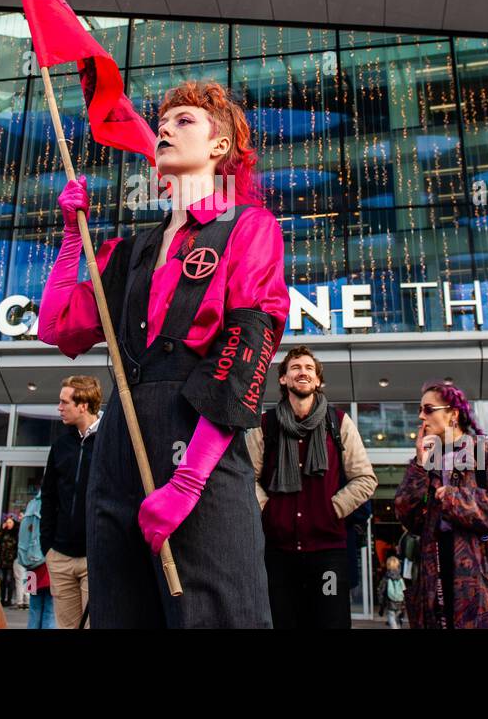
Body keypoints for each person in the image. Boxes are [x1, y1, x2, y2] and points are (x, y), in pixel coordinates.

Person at [40, 81, 291, 628]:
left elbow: (247, 348)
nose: (165, 129)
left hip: (198, 449)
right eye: (163, 122)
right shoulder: (131, 250)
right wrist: (66, 237)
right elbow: (56, 326)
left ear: (219, 146)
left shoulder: (248, 226)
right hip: (118, 455)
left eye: (184, 121)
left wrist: (189, 482)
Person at [247, 345, 377, 629]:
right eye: (294, 367)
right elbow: (246, 477)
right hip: (278, 554)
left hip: (328, 552)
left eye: (308, 368)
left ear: (317, 380)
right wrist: (269, 510)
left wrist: (332, 509)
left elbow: (365, 479)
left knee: (330, 623)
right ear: (283, 379)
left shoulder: (338, 422)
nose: (302, 372)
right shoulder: (264, 425)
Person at [394, 381, 488, 629]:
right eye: (420, 409)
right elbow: (408, 517)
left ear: (453, 414)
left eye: (428, 409)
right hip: (436, 578)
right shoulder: (427, 459)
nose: (420, 416)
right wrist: (418, 466)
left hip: (482, 584)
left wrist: (453, 499)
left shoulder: (483, 450)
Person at [39, 375, 101, 628]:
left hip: (94, 557)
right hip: (60, 556)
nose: (59, 407)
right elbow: (49, 495)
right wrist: (48, 546)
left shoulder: (110, 439)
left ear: (83, 405)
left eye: (64, 402)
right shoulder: (61, 444)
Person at [18, 489, 56, 629]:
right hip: (48, 564)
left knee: (34, 609)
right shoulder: (54, 503)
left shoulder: (31, 504)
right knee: (50, 611)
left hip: (31, 565)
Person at [378, 553, 405, 629]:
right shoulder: (400, 578)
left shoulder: (386, 578)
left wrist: (381, 604)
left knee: (391, 618)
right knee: (398, 620)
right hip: (400, 603)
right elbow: (404, 591)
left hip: (390, 604)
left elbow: (380, 591)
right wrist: (404, 603)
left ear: (388, 566)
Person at [0, 516, 19, 606]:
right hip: (2, 560)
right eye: (7, 523)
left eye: (10, 523)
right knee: (2, 580)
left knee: (9, 580)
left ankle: (9, 599)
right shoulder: (3, 533)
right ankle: (2, 598)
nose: (9, 524)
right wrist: (2, 529)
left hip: (11, 560)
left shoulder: (15, 533)